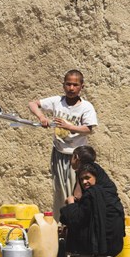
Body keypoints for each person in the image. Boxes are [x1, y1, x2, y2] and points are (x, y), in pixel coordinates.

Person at [28, 69, 98, 221]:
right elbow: (32, 103)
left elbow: (89, 129)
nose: (71, 88)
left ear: (81, 87)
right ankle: (61, 225)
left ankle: (76, 224)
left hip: (77, 157)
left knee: (76, 191)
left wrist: (69, 127)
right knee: (60, 191)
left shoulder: (86, 107)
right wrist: (41, 117)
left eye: (75, 85)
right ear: (63, 85)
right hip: (59, 154)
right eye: (68, 84)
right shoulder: (57, 102)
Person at [59, 162, 125, 257]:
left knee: (71, 219)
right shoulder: (109, 189)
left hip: (103, 245)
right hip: (114, 245)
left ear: (96, 177)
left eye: (87, 178)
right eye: (81, 179)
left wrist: (71, 203)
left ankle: (83, 255)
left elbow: (76, 218)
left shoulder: (92, 194)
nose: (85, 182)